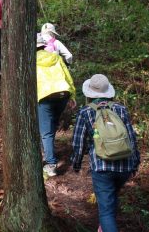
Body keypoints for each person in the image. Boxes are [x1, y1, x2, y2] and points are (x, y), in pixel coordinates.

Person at [71, 74, 140, 232]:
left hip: (101, 166)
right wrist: (135, 163)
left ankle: (106, 225)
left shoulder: (85, 112)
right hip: (125, 165)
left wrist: (76, 164)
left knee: (106, 211)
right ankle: (104, 227)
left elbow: (77, 142)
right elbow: (131, 138)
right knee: (112, 196)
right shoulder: (121, 109)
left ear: (89, 93)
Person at [37, 34, 76, 177]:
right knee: (51, 126)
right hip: (62, 95)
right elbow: (67, 77)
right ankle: (47, 151)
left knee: (46, 131)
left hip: (45, 96)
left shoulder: (30, 60)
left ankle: (51, 164)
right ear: (43, 45)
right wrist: (72, 95)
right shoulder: (56, 57)